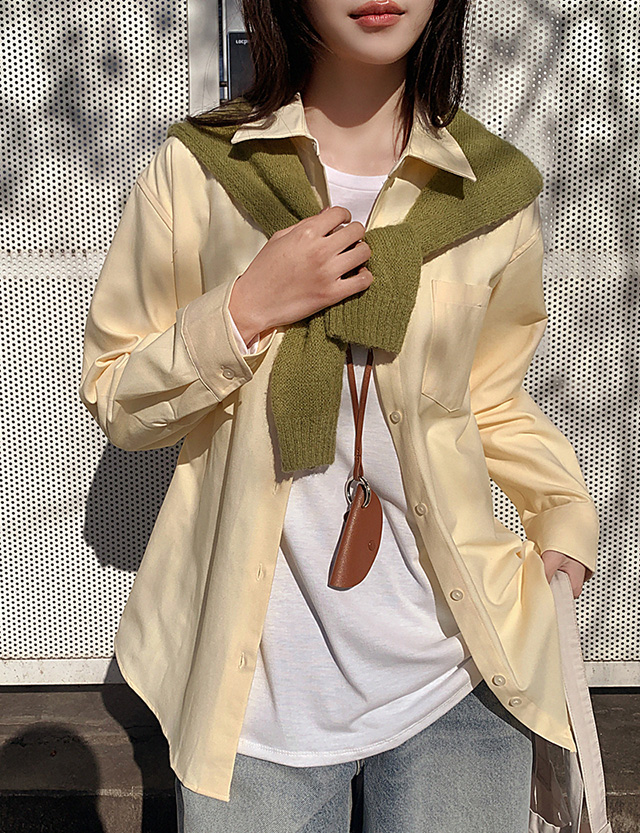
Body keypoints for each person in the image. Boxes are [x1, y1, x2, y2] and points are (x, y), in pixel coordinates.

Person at [78, 0, 600, 830]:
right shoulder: (201, 170)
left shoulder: (493, 188)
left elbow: (490, 397)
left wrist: (564, 518)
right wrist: (246, 308)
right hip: (257, 707)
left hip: (457, 682)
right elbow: (119, 396)